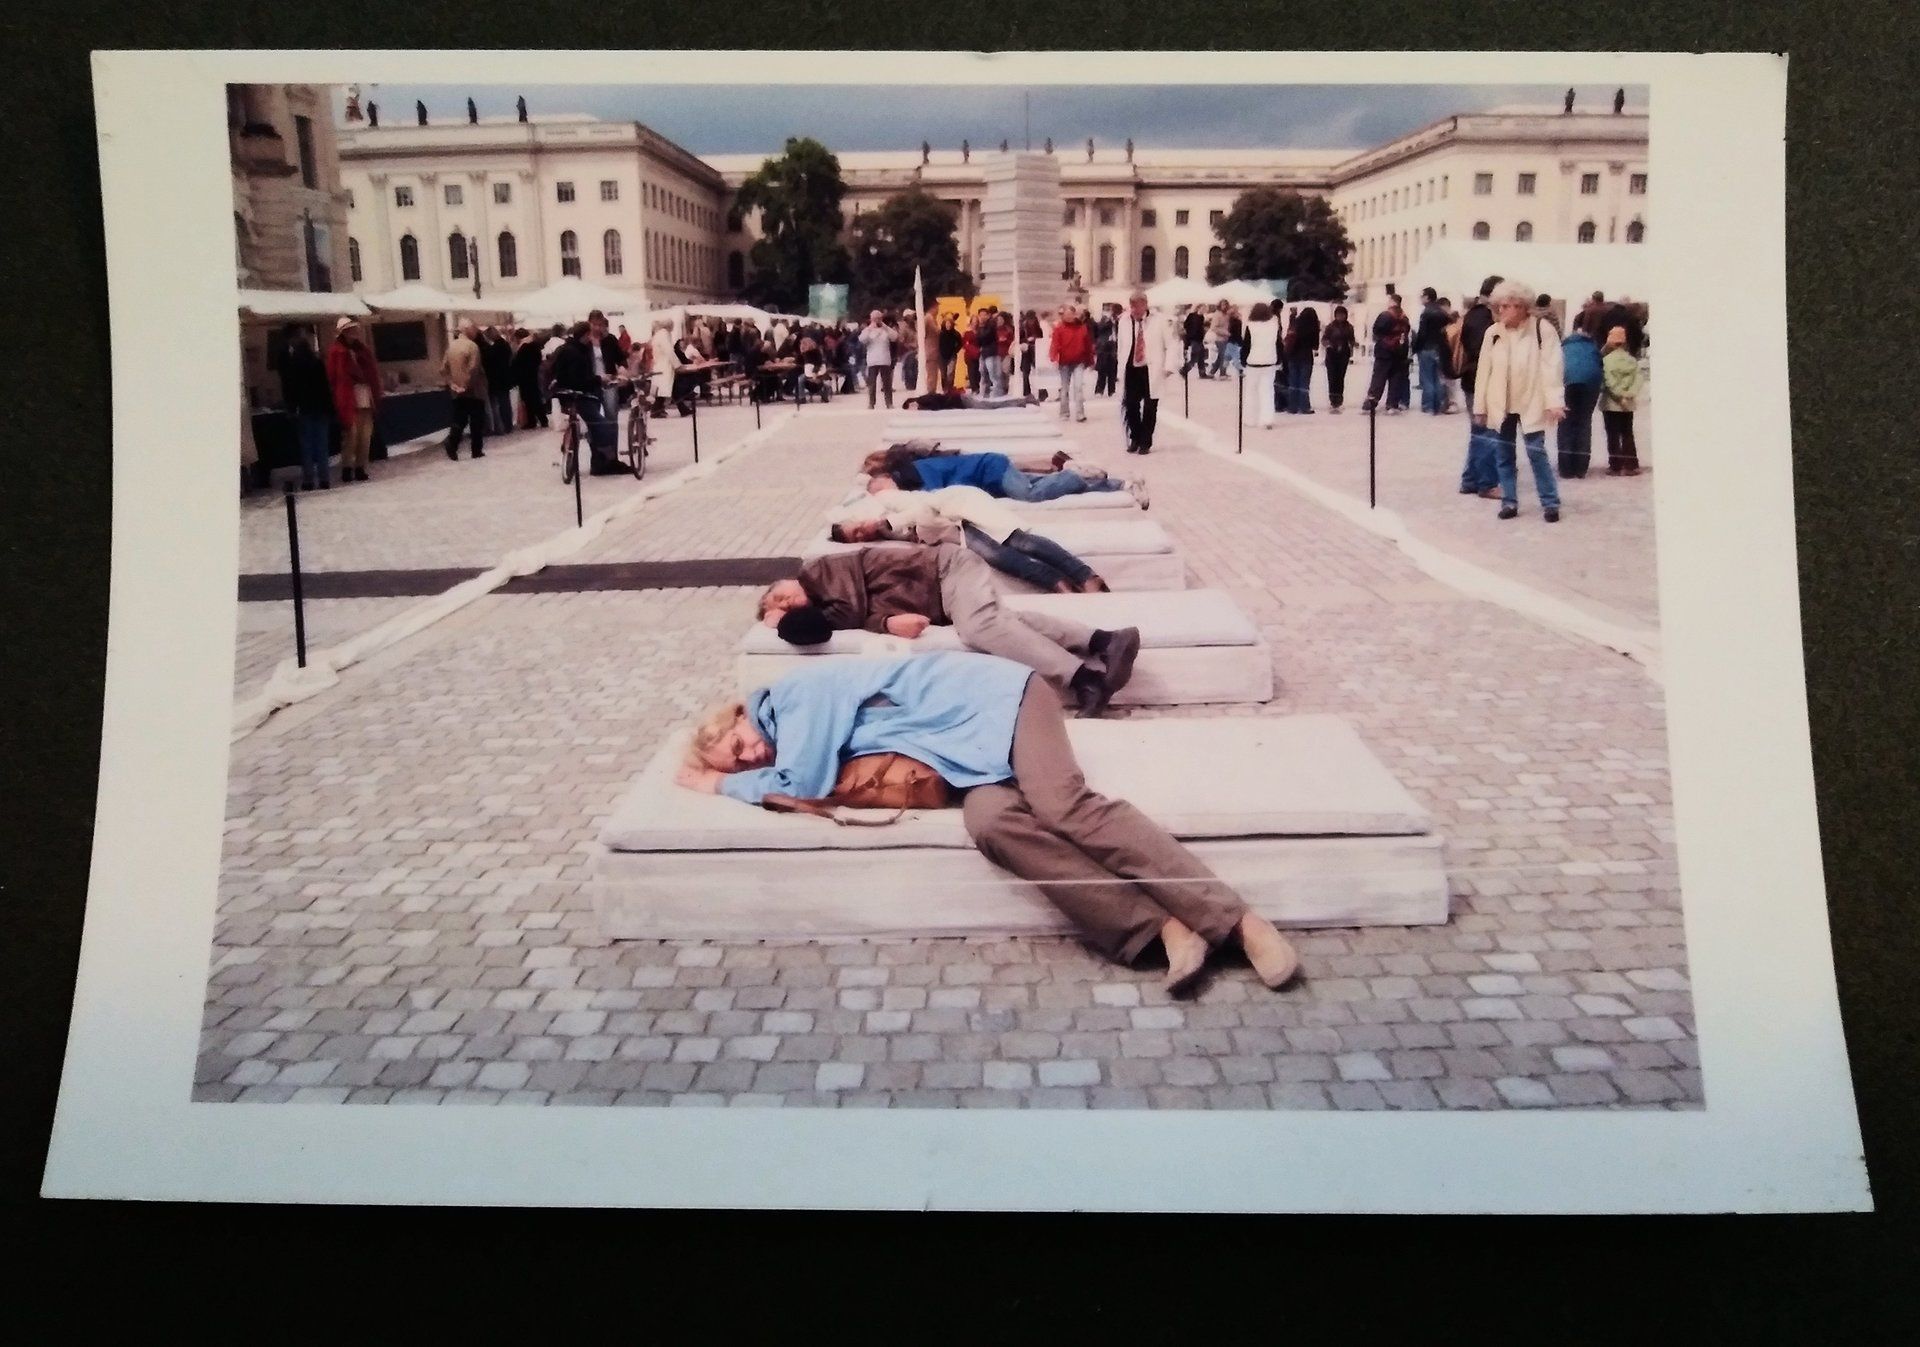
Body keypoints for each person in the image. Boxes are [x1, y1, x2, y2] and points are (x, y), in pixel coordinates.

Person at [679, 652, 1301, 990]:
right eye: (740, 759)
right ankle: (1161, 927)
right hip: (967, 756)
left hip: (999, 699)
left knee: (1062, 805)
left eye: (738, 746)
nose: (752, 754)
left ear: (739, 717)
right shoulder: (786, 733)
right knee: (992, 827)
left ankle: (1237, 922)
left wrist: (724, 783)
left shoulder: (790, 700)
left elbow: (805, 785)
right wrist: (745, 778)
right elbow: (806, 788)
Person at [756, 548, 1136, 716]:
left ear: (785, 579)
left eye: (778, 595)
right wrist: (883, 622)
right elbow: (823, 626)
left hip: (946, 569)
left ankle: (1085, 680)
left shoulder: (818, 572)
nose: (785, 602)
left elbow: (835, 618)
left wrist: (882, 623)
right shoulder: (823, 602)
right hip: (942, 593)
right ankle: (1104, 640)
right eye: (780, 608)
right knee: (1001, 621)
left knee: (979, 626)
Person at [830, 484, 1114, 595]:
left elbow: (923, 507)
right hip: (956, 528)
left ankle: (1086, 575)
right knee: (998, 556)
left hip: (958, 506)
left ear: (855, 518)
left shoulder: (884, 504)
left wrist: (888, 521)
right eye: (856, 537)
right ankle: (1058, 582)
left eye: (856, 528)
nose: (861, 533)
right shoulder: (878, 536)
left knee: (1019, 542)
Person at [1473, 279, 1565, 522]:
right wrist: (1479, 407)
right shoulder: (1493, 333)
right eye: (1498, 306)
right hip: (1501, 403)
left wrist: (1554, 401)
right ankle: (1509, 501)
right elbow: (1484, 371)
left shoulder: (1541, 329)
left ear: (1522, 306)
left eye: (1506, 306)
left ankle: (1550, 502)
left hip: (1530, 401)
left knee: (1536, 453)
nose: (1500, 310)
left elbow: (1552, 367)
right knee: (1503, 455)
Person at [873, 449, 1145, 507]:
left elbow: (934, 501)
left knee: (1031, 495)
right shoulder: (913, 477)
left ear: (888, 476)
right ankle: (1122, 485)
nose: (889, 494)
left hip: (992, 469)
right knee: (1046, 487)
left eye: (884, 489)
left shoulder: (918, 473)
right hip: (991, 479)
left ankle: (1072, 473)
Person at [547, 321, 622, 474]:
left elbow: (554, 372)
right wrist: (599, 379)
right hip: (578, 395)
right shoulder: (576, 353)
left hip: (563, 395)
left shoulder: (565, 349)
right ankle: (606, 460)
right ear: (585, 335)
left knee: (591, 421)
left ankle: (590, 454)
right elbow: (579, 381)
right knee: (603, 425)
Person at [1455, 276, 1504, 497]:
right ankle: (1487, 482)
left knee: (1479, 432)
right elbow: (1480, 350)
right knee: (1488, 432)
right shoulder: (1484, 319)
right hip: (1480, 381)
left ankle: (1470, 479)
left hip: (1472, 379)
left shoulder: (1474, 315)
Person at [280, 327, 335, 491]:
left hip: (304, 408)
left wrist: (291, 408)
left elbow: (289, 389)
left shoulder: (292, 365)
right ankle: (324, 479)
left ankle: (308, 480)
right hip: (320, 407)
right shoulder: (317, 362)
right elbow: (325, 387)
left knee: (306, 445)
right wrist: (329, 408)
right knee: (322, 444)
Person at [326, 317, 380, 482]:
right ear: (344, 332)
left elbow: (372, 372)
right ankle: (347, 467)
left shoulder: (363, 350)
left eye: (354, 329)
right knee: (351, 435)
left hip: (365, 396)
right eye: (350, 330)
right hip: (348, 397)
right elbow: (333, 377)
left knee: (365, 435)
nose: (354, 333)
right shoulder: (337, 351)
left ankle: (360, 467)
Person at [1120, 290, 1170, 455]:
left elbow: (1171, 343)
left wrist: (1169, 366)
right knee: (1131, 405)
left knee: (1150, 406)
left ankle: (1145, 442)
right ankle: (1134, 437)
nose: (1134, 310)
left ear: (1145, 305)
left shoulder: (1160, 320)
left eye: (1137, 307)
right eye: (1132, 307)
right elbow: (1121, 345)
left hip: (1151, 367)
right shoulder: (1124, 321)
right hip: (1132, 368)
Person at [1557, 322, 1605, 478]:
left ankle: (1566, 468)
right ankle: (1581, 467)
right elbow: (1600, 367)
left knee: (1566, 423)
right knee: (1584, 423)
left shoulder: (1563, 348)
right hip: (1590, 385)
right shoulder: (1593, 347)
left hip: (1568, 384)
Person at [440, 320, 489, 460]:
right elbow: (473, 369)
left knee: (459, 419)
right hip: (474, 390)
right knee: (477, 420)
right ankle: (476, 450)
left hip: (456, 391)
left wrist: (452, 384)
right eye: (474, 329)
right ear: (467, 329)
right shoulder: (472, 346)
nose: (476, 332)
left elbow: (443, 369)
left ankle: (452, 443)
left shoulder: (451, 347)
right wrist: (465, 386)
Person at [1599, 325, 1644, 475]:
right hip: (1628, 404)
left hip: (1611, 404)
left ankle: (1615, 465)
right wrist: (1628, 395)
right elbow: (1638, 380)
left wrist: (1619, 396)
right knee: (1627, 432)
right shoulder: (1632, 360)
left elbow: (1608, 382)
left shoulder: (1606, 360)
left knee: (1612, 434)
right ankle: (1631, 465)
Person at [1362, 295, 1412, 414]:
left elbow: (1376, 330)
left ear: (1392, 302)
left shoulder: (1385, 315)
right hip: (1399, 352)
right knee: (1395, 378)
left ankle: (1371, 403)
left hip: (1384, 351)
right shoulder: (1404, 317)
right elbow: (1406, 331)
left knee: (1379, 378)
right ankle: (1392, 405)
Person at [1049, 302, 1096, 423]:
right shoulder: (1059, 329)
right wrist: (1054, 357)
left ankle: (1080, 413)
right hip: (1064, 362)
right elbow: (1055, 344)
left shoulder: (1082, 328)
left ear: (1075, 315)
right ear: (1063, 315)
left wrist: (1091, 361)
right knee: (1064, 388)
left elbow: (1088, 345)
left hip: (1078, 361)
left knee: (1078, 387)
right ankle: (1064, 413)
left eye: (1071, 314)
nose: (1069, 316)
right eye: (1067, 314)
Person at [1240, 301, 1281, 428]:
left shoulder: (1250, 326)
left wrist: (1243, 360)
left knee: (1251, 392)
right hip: (1269, 361)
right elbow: (1278, 344)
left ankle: (1250, 419)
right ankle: (1267, 419)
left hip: (1253, 362)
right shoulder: (1274, 325)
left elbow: (1246, 345)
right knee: (1267, 392)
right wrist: (1279, 359)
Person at [1411, 288, 1451, 415]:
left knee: (1427, 378)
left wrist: (1416, 347)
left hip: (1427, 348)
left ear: (1427, 297)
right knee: (1438, 378)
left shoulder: (1426, 313)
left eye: (1422, 296)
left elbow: (1422, 333)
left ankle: (1428, 405)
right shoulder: (1443, 313)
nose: (1420, 298)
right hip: (1440, 348)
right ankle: (1438, 405)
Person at [511, 327, 549, 429]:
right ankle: (541, 419)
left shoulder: (524, 347)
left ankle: (533, 421)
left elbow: (519, 363)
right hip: (533, 375)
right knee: (535, 398)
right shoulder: (534, 345)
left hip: (526, 377)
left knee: (529, 399)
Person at [480, 325, 515, 433]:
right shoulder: (505, 345)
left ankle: (503, 426)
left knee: (500, 403)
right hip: (505, 377)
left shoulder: (495, 348)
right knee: (505, 402)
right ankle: (508, 424)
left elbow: (490, 363)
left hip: (497, 379)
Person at [859, 309, 896, 410]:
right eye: (875, 318)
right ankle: (871, 403)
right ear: (871, 319)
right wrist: (870, 328)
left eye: (879, 318)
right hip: (872, 361)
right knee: (872, 385)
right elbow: (862, 339)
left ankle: (889, 403)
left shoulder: (886, 330)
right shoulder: (868, 330)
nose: (877, 320)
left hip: (885, 360)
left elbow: (894, 337)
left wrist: (885, 326)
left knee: (887, 384)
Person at [1288, 303, 1321, 414]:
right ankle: (1304, 406)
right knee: (1304, 382)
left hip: (1293, 355)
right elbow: (1315, 345)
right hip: (1306, 356)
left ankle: (1292, 406)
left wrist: (1292, 316)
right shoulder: (1313, 327)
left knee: (1293, 381)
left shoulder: (1296, 323)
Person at [1321, 305, 1355, 414]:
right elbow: (1324, 339)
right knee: (1332, 378)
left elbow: (1351, 339)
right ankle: (1332, 400)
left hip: (1343, 355)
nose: (1340, 317)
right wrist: (1329, 345)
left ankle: (1339, 400)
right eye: (1338, 315)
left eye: (1342, 315)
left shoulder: (1349, 327)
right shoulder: (1330, 327)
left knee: (1340, 378)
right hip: (1331, 355)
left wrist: (1353, 345)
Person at [648, 319, 683, 418]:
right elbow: (669, 351)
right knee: (664, 388)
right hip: (664, 365)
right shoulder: (664, 334)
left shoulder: (658, 334)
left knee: (663, 389)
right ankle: (655, 410)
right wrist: (677, 364)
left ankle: (658, 410)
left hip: (659, 364)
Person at [901, 390, 1042, 410]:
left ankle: (1024, 400)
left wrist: (923, 408)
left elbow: (937, 404)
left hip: (962, 401)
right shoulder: (923, 401)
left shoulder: (923, 400)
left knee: (992, 406)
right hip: (961, 400)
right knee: (991, 405)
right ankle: (1023, 401)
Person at [1092, 303, 1120, 397]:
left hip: (1113, 346)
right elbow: (1100, 328)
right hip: (1104, 347)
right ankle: (1099, 390)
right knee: (1102, 370)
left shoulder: (1118, 320)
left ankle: (1112, 390)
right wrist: (1109, 321)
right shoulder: (1103, 319)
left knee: (1113, 370)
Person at [1018, 310, 1043, 398]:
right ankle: (1027, 392)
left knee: (1039, 371)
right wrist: (1026, 341)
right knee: (1026, 371)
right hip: (1027, 350)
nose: (1031, 321)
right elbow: (1019, 339)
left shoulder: (1036, 326)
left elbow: (1041, 337)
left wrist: (1035, 339)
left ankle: (1042, 392)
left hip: (1035, 349)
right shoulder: (1023, 327)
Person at [936, 311, 962, 393]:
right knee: (943, 374)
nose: (948, 325)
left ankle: (950, 389)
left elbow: (960, 343)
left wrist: (955, 350)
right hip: (941, 356)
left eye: (950, 324)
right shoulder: (940, 334)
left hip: (952, 355)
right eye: (947, 323)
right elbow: (936, 343)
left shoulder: (956, 333)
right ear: (944, 324)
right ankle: (945, 389)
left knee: (950, 373)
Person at [1180, 305, 1209, 379]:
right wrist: (1190, 333)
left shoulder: (1202, 317)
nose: (1204, 310)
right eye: (1203, 308)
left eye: (1205, 309)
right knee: (1195, 357)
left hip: (1199, 339)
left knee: (1201, 356)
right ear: (1199, 308)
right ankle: (1184, 370)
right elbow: (1186, 325)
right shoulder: (1192, 315)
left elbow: (1201, 329)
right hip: (1193, 339)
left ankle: (1202, 373)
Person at [994, 312, 1017, 398]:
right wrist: (998, 341)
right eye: (998, 320)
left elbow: (1012, 341)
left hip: (1007, 352)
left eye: (1001, 319)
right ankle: (1001, 388)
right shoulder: (994, 330)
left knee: (1005, 370)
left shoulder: (1008, 330)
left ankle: (1006, 387)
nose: (1000, 321)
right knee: (998, 371)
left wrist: (1005, 340)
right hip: (997, 352)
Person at [897, 310, 920, 392]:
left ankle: (915, 382)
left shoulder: (916, 326)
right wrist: (910, 346)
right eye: (912, 316)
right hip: (909, 352)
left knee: (916, 368)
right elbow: (901, 341)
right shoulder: (904, 329)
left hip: (917, 350)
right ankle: (910, 384)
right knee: (909, 368)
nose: (913, 318)